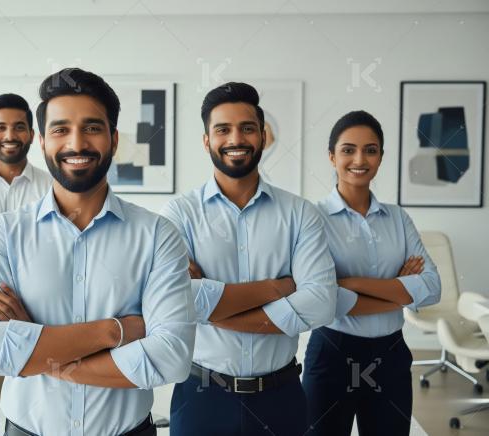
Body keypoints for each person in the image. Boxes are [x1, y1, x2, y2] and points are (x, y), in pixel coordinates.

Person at [0, 68, 196, 436]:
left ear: (114, 139)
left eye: (92, 127)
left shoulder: (157, 235)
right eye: (60, 129)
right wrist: (116, 330)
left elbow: (171, 359)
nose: (77, 143)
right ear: (42, 141)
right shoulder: (3, 234)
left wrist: (35, 346)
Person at [162, 82, 338, 435]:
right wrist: (280, 288)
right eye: (222, 129)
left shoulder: (300, 214)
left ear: (262, 135)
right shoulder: (179, 214)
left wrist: (212, 305)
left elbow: (321, 304)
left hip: (282, 397)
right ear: (206, 140)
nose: (235, 139)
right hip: (202, 398)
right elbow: (175, 302)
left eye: (246, 128)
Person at [302, 110, 441, 435]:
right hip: (332, 355)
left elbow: (432, 287)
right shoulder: (312, 219)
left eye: (370, 149)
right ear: (331, 156)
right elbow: (324, 299)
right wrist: (400, 290)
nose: (359, 159)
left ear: (380, 156)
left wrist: (351, 283)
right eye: (348, 149)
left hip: (390, 356)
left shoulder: (397, 218)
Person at [0, 93, 52, 222]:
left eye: (19, 127)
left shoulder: (51, 187)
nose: (10, 136)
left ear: (32, 135)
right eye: (0, 128)